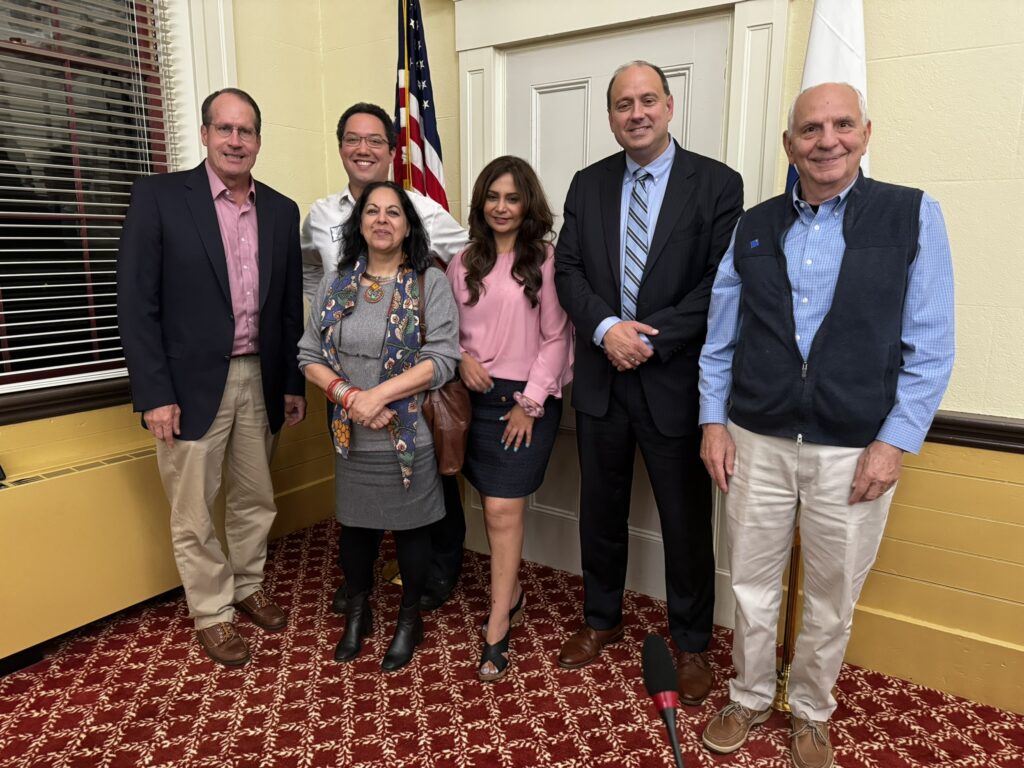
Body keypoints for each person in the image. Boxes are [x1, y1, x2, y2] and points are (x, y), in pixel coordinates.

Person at [698, 83, 955, 768]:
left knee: (832, 595)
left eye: (843, 125)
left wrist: (894, 442)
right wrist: (713, 423)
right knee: (750, 584)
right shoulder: (753, 225)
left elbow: (931, 346)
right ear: (790, 145)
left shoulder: (912, 214)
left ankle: (811, 710)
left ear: (866, 134)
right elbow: (720, 340)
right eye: (810, 129)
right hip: (755, 439)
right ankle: (750, 695)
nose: (827, 140)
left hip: (854, 448)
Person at [553, 60, 743, 703]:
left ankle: (692, 644)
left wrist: (646, 339)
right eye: (622, 104)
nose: (636, 114)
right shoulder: (587, 184)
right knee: (599, 511)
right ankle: (601, 618)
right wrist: (608, 329)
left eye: (647, 101)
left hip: (674, 382)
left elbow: (720, 285)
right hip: (601, 379)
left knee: (685, 522)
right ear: (610, 116)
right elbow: (568, 271)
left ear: (669, 106)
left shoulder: (717, 184)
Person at [118, 88, 307, 668]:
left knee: (255, 497)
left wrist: (292, 382)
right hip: (188, 386)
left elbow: (288, 310)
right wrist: (155, 394)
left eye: (245, 130)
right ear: (204, 134)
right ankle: (212, 611)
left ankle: (248, 585)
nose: (235, 140)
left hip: (260, 376)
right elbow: (136, 305)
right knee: (194, 509)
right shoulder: (158, 199)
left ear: (259, 140)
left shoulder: (281, 210)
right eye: (224, 128)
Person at [302, 102, 469, 614]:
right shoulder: (320, 215)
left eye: (375, 140)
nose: (364, 149)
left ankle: (437, 574)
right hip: (345, 381)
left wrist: (464, 336)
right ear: (340, 147)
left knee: (430, 492)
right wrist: (330, 326)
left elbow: (470, 261)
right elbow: (310, 275)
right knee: (358, 496)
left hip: (409, 391)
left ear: (393, 151)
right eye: (353, 139)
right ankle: (361, 585)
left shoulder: (422, 210)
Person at [446, 156, 573, 682]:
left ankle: (499, 620)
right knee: (484, 501)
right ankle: (512, 590)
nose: (502, 207)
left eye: (512, 198)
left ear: (528, 205)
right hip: (467, 400)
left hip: (524, 402)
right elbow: (441, 330)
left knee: (501, 508)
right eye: (493, 197)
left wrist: (530, 401)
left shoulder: (546, 260)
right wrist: (460, 357)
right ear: (481, 204)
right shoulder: (461, 262)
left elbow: (558, 337)